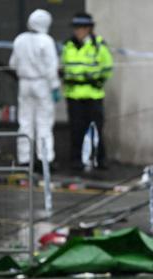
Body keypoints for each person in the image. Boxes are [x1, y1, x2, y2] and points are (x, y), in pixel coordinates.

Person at [61, 12, 113, 171]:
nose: (78, 31)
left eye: (82, 28)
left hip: (93, 94)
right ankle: (77, 161)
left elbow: (107, 67)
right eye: (76, 28)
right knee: (76, 129)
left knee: (96, 129)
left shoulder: (99, 45)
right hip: (74, 95)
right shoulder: (68, 45)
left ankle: (99, 159)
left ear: (89, 28)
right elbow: (64, 67)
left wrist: (98, 81)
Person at [9, 9, 60, 169]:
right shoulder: (46, 40)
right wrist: (55, 87)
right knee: (43, 123)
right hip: (42, 84)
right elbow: (52, 67)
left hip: (24, 84)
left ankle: (24, 159)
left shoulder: (19, 39)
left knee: (25, 122)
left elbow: (12, 64)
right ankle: (45, 159)